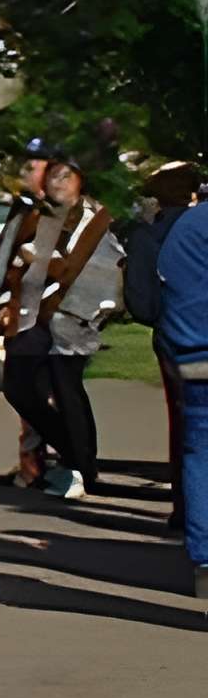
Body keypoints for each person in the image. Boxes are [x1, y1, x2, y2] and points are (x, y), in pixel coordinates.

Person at [0, 149, 120, 498]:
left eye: (66, 176)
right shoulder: (35, 215)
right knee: (18, 388)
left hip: (71, 315)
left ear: (81, 181)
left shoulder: (94, 218)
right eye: (53, 176)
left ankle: (79, 468)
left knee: (66, 388)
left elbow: (76, 267)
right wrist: (5, 302)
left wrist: (39, 260)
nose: (58, 183)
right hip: (28, 314)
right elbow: (12, 262)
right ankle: (73, 452)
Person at [142, 164, 208, 597]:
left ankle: (203, 557)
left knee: (199, 451)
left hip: (191, 349)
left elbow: (165, 286)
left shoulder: (188, 225)